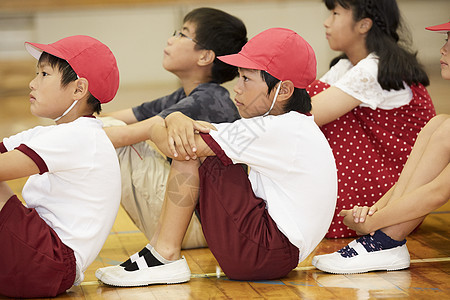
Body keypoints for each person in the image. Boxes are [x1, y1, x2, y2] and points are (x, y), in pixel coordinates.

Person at [95, 28, 337, 286]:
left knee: (192, 149)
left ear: (284, 90)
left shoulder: (275, 128)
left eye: (247, 80)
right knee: (201, 143)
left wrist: (159, 127)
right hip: (274, 251)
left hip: (265, 251)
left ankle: (164, 255)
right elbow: (203, 129)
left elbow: (179, 144)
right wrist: (177, 117)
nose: (237, 89)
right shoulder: (290, 124)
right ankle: (161, 253)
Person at [101, 7, 247, 250]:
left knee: (108, 137)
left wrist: (63, 134)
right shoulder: (187, 94)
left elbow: (125, 132)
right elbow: (122, 116)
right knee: (99, 128)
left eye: (183, 34)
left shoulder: (207, 100)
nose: (171, 39)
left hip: (203, 227)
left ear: (204, 57)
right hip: (197, 222)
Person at [312, 21, 450, 274]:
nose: (443, 49)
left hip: (393, 193)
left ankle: (385, 241)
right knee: (439, 124)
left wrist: (372, 223)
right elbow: (421, 181)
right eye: (445, 40)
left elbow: (438, 193)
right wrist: (374, 212)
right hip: (393, 201)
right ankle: (385, 241)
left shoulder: (377, 67)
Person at [0, 36, 121, 298]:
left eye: (44, 74)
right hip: (46, 259)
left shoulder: (76, 136)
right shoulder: (59, 133)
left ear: (78, 89)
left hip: (50, 261)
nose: (32, 82)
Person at [306, 0, 436, 238]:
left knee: (312, 109)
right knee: (309, 95)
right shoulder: (347, 66)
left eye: (335, 14)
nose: (327, 22)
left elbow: (306, 115)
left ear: (364, 25)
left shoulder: (374, 68)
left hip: (394, 195)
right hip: (377, 177)